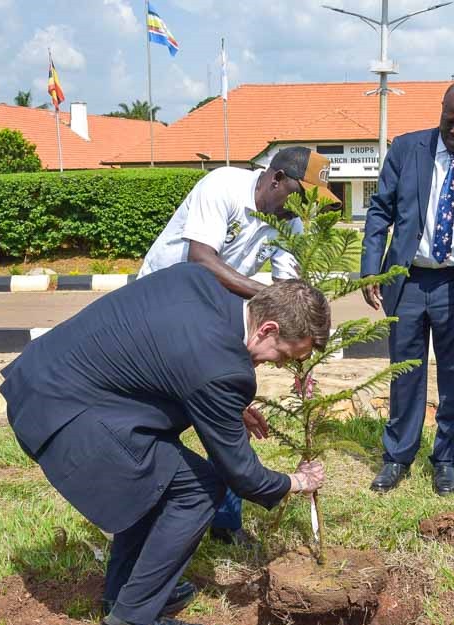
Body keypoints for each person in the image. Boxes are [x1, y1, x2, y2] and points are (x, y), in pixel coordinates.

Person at [0, 266, 329, 625]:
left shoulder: (197, 281)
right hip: (67, 415)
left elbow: (162, 357)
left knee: (160, 479)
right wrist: (297, 481)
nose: (277, 365)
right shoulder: (220, 369)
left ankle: (125, 593)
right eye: (284, 356)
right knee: (199, 490)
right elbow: (242, 474)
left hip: (44, 379)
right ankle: (130, 623)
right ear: (268, 329)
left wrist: (223, 406)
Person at [138, 146, 340, 547]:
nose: (301, 211)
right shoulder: (224, 187)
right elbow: (201, 260)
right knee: (161, 417)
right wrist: (270, 295)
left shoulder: (289, 225)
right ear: (276, 178)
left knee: (234, 406)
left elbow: (292, 300)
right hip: (163, 306)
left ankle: (226, 523)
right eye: (299, 197)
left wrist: (306, 367)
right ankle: (151, 516)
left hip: (217, 310)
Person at [361, 81, 454, 496]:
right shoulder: (407, 149)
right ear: (441, 111)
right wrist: (370, 268)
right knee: (405, 373)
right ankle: (397, 457)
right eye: (451, 121)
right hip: (408, 280)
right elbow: (380, 211)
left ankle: (445, 459)